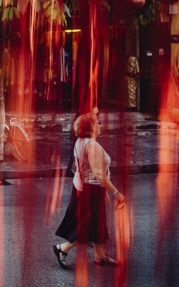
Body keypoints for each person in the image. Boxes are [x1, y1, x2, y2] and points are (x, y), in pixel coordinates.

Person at [53, 110, 126, 268]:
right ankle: (62, 248)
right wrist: (117, 193)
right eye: (97, 123)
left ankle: (100, 256)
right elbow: (99, 173)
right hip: (90, 190)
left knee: (97, 225)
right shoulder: (91, 145)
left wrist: (104, 191)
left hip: (84, 187)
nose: (100, 125)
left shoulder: (80, 141)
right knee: (87, 226)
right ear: (91, 127)